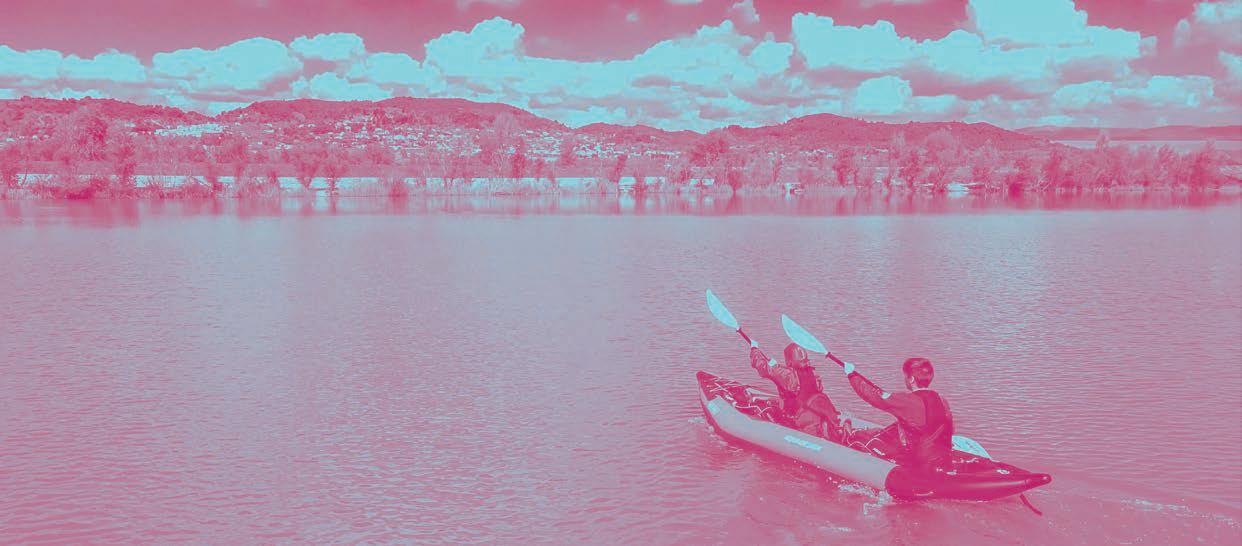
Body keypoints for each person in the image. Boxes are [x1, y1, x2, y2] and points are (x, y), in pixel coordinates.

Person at [841, 357, 955, 471]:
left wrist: (851, 375)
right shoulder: (942, 400)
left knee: (870, 442)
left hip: (920, 461)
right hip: (943, 456)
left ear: (911, 379)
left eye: (905, 376)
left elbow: (871, 397)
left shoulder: (907, 400)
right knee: (898, 427)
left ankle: (851, 438)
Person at [749, 342, 844, 441]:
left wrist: (754, 348)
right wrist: (776, 365)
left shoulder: (787, 375)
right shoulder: (814, 374)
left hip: (799, 421)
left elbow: (762, 366)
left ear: (789, 361)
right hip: (816, 417)